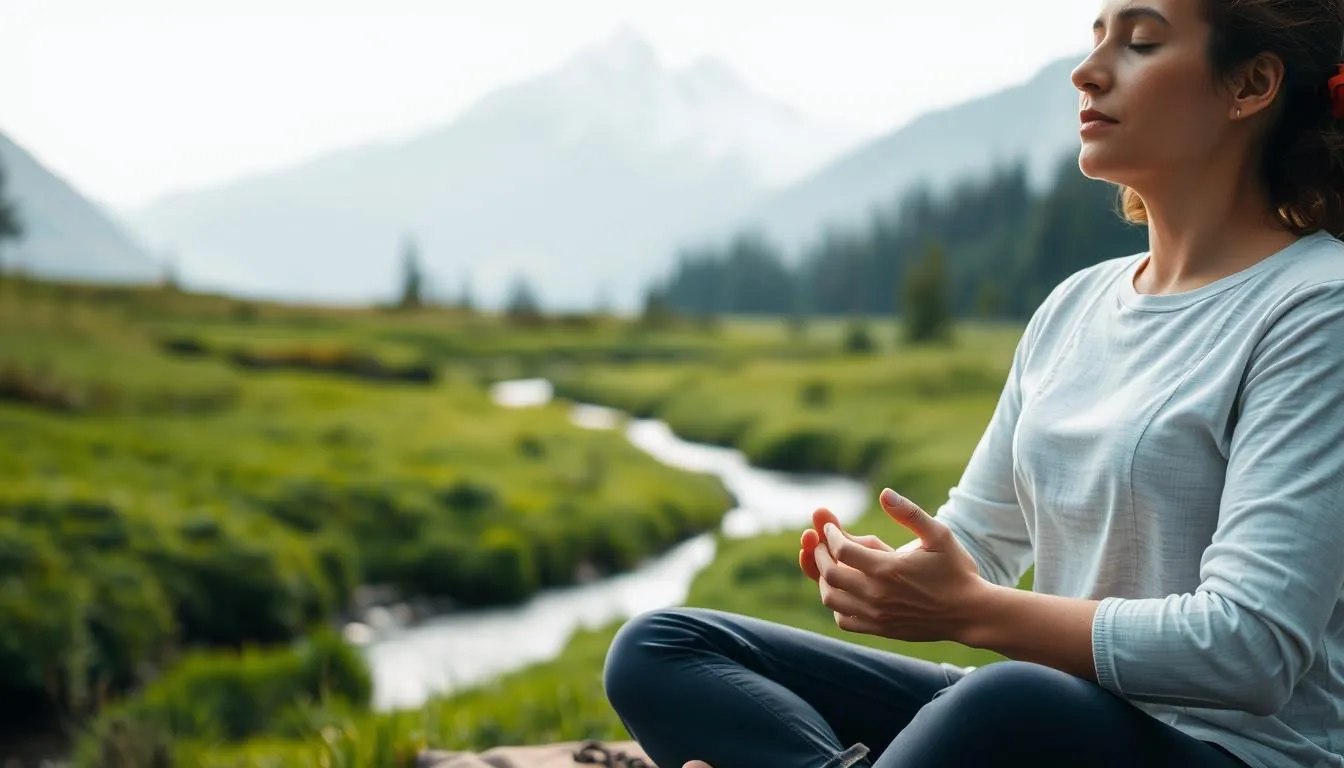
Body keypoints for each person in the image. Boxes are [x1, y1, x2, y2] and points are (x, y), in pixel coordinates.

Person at [601, 1, 1344, 766]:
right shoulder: (1075, 306)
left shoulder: (1318, 307)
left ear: (1250, 85)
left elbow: (1251, 649)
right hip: (1058, 723)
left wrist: (971, 610)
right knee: (663, 648)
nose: (1087, 72)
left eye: (1142, 42)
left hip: (1232, 751)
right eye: (1095, 40)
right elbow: (980, 542)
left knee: (1006, 699)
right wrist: (890, 574)